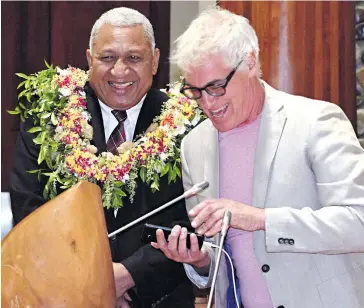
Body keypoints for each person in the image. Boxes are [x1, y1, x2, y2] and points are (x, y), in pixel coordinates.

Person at [152, 7, 364, 308]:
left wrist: (261, 220)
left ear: (250, 62)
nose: (208, 104)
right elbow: (221, 262)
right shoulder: (193, 147)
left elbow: (359, 222)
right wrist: (199, 261)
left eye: (216, 87)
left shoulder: (315, 122)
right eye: (195, 92)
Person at [9, 7, 195, 308]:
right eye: (107, 58)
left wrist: (128, 277)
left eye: (133, 58)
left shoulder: (188, 126)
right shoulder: (47, 117)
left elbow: (191, 222)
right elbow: (29, 209)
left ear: (155, 61)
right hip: (62, 297)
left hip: (156, 297)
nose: (119, 71)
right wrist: (88, 283)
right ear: (88, 59)